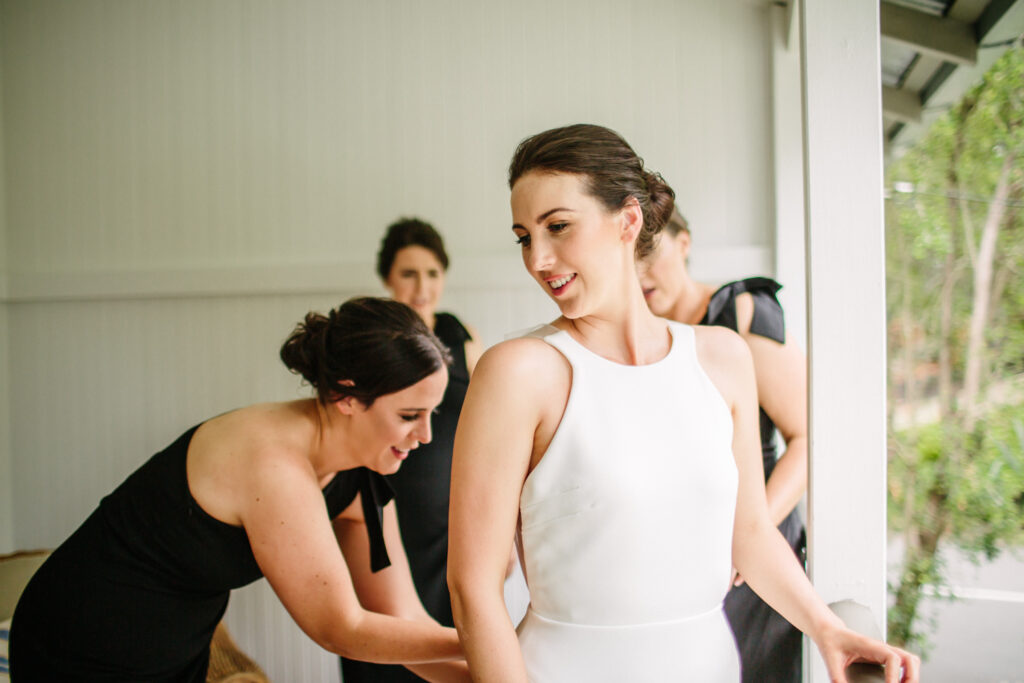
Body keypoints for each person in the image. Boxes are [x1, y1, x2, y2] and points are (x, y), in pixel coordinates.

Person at [446, 123, 919, 682]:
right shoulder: (518, 371)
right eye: (524, 237)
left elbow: (750, 533)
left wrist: (828, 630)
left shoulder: (723, 357)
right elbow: (472, 586)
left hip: (709, 664)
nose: (538, 259)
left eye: (558, 226)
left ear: (628, 221)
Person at [10, 297, 470, 683]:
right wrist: (484, 640)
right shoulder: (272, 463)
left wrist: (490, 670)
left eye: (431, 413)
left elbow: (404, 619)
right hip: (83, 644)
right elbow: (340, 628)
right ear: (345, 396)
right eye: (409, 416)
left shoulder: (359, 478)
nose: (426, 435)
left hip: (175, 649)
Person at [638, 208, 808, 682]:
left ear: (684, 243)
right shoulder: (635, 339)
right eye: (626, 259)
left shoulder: (744, 312)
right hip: (676, 550)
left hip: (753, 545)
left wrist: (749, 537)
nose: (639, 273)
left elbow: (807, 438)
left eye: (649, 253)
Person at [341, 218, 482, 683]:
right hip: (382, 507)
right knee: (383, 638)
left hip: (449, 524)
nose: (422, 287)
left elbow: (487, 431)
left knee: (448, 638)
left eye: (432, 273)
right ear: (388, 277)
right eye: (408, 273)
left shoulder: (462, 337)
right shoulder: (371, 343)